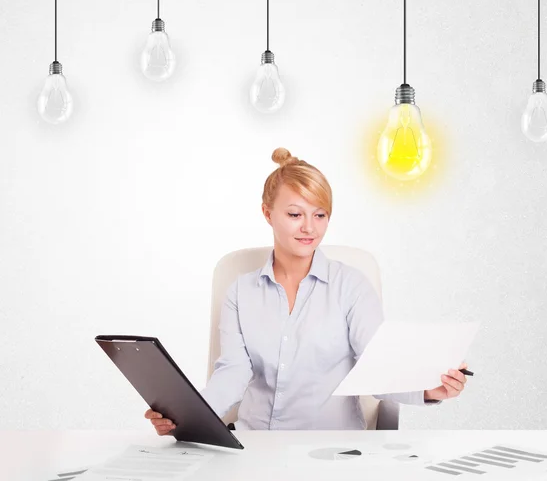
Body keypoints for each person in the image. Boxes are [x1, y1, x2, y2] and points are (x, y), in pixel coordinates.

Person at [145, 147, 469, 435]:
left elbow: (379, 367)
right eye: (295, 214)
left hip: (329, 453)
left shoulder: (352, 287)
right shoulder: (240, 292)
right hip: (254, 447)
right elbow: (233, 372)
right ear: (267, 213)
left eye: (320, 215)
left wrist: (430, 389)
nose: (309, 228)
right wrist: (184, 418)